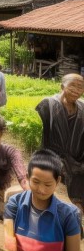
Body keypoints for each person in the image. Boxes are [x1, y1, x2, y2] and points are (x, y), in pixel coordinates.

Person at [0, 149, 82, 251]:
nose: (41, 189)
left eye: (48, 184)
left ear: (58, 181)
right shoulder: (14, 205)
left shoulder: (68, 214)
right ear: (27, 178)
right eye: (36, 182)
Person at [35, 73, 84, 214]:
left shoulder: (82, 108)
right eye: (72, 85)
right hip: (52, 157)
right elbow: (41, 135)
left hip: (76, 160)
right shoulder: (47, 104)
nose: (76, 90)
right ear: (62, 86)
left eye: (80, 87)